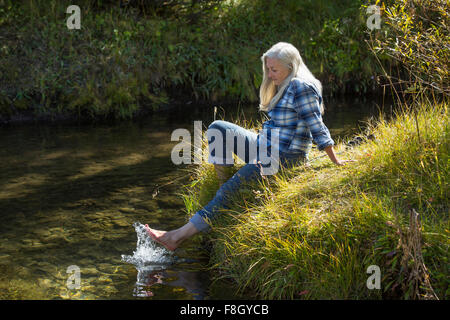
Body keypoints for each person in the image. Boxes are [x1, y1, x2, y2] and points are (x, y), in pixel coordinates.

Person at [145, 42, 355, 251]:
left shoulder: (301, 87)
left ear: (290, 67)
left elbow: (316, 125)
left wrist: (334, 159)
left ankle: (176, 237)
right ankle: (222, 190)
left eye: (274, 70)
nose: (270, 74)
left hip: (284, 157)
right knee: (218, 128)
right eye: (268, 69)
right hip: (264, 146)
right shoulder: (284, 85)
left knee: (230, 190)